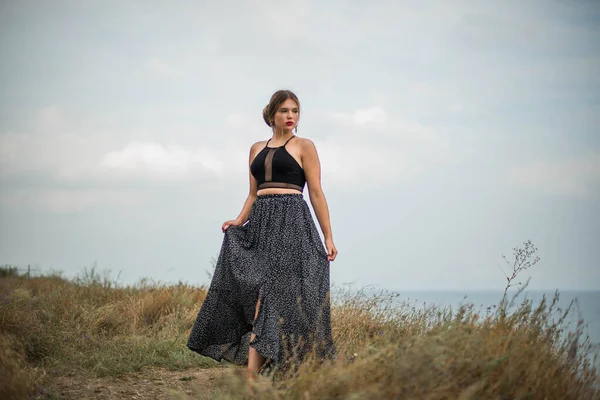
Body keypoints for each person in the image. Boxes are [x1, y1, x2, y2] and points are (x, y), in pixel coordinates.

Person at [187, 89, 338, 380]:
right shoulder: (256, 148)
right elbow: (253, 194)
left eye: (295, 111)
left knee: (269, 293)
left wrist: (328, 236)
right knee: (258, 290)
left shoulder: (304, 146)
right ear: (271, 114)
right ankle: (264, 365)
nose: (290, 116)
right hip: (261, 222)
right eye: (284, 111)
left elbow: (316, 193)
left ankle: (253, 373)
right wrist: (239, 220)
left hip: (292, 220)